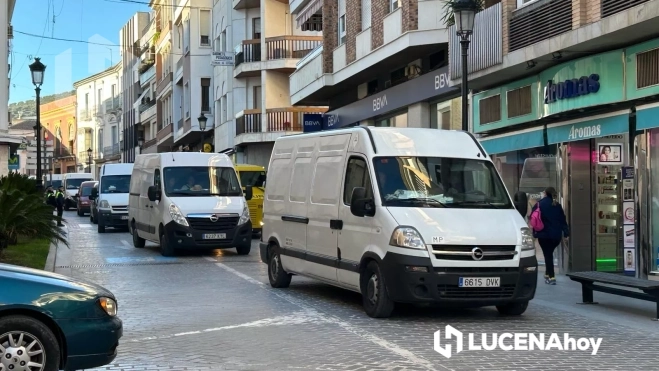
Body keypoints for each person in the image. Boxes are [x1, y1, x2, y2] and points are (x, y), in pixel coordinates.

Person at [531, 186, 569, 285]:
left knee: (548, 255)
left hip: (543, 235)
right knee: (549, 253)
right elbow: (563, 220)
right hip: (556, 236)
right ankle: (547, 273)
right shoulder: (557, 205)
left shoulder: (539, 204)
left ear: (545, 193)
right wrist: (566, 233)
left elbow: (533, 217)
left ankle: (552, 277)